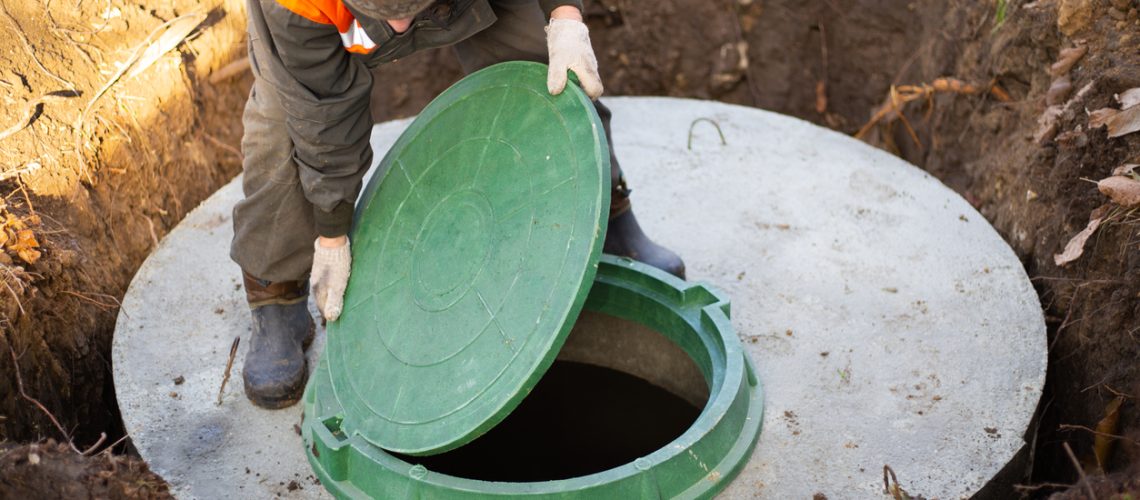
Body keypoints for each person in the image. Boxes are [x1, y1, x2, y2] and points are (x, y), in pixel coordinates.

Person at [231, 0, 686, 409]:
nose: (401, 25)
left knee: (542, 71)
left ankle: (604, 211)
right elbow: (323, 115)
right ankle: (276, 293)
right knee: (285, 129)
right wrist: (331, 232)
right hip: (314, 26)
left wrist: (565, 16)